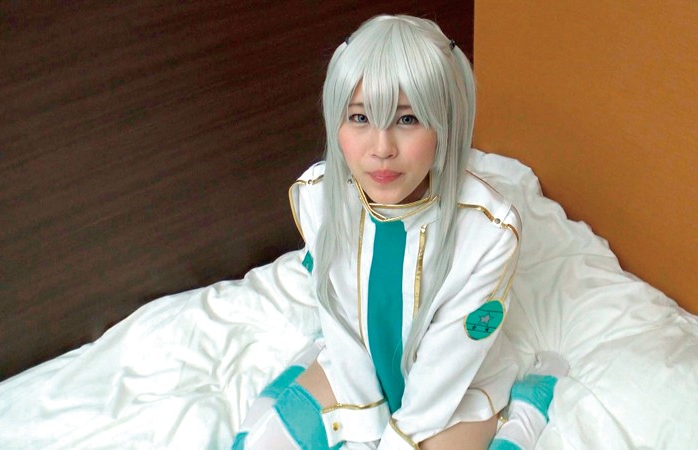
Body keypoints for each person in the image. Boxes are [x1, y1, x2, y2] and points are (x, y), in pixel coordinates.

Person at [233, 15, 564, 449]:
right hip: (356, 371)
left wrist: (393, 441)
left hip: (453, 392)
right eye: (359, 117)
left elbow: (446, 365)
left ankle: (528, 409)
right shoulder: (317, 196)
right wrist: (363, 423)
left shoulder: (489, 232)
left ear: (445, 125)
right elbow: (340, 317)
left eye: (407, 119)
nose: (382, 148)